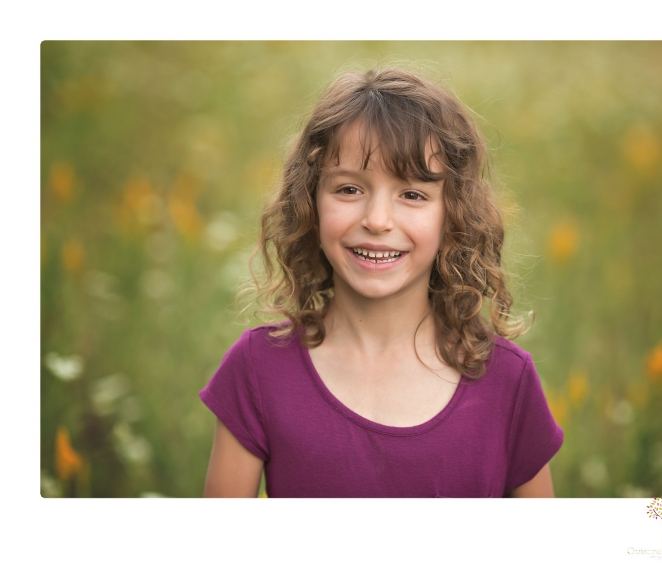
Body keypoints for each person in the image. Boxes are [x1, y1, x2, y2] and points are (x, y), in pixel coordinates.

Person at [200, 67, 563, 497]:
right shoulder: (258, 369)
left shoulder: (507, 381)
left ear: (454, 214)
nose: (376, 220)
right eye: (349, 189)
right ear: (310, 202)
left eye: (412, 194)